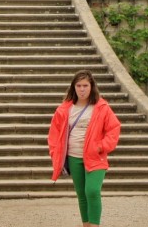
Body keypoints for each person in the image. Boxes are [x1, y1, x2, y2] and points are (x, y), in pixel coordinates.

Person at [47, 70, 121, 227]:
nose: (82, 89)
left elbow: (114, 129)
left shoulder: (101, 107)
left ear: (91, 86)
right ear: (73, 87)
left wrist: (101, 146)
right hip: (74, 156)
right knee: (81, 194)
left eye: (85, 85)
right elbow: (53, 135)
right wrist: (56, 155)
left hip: (96, 156)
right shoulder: (64, 109)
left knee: (92, 191)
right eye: (78, 85)